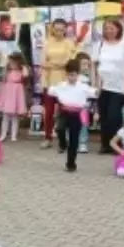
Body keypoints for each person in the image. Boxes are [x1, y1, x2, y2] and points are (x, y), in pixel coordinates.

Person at [48, 60, 97, 173]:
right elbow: (51, 91)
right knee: (59, 128)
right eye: (70, 75)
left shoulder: (83, 87)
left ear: (78, 75)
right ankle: (62, 143)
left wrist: (98, 89)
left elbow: (93, 92)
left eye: (74, 75)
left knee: (74, 141)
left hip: (76, 114)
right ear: (67, 74)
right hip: (64, 112)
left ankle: (71, 163)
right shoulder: (62, 85)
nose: (72, 77)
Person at [94, 19, 124, 155]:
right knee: (104, 117)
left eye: (112, 28)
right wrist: (96, 84)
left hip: (119, 87)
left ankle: (116, 143)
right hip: (104, 86)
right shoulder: (100, 44)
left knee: (114, 116)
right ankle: (105, 144)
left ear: (118, 29)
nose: (109, 31)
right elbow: (96, 65)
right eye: (106, 28)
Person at [41, 19, 78, 150]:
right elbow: (43, 62)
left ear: (65, 30)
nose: (59, 32)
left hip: (64, 80)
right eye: (56, 29)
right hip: (50, 80)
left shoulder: (69, 43)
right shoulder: (47, 43)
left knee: (65, 111)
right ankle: (47, 137)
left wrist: (60, 65)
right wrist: (54, 65)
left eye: (62, 29)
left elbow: (71, 60)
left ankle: (64, 138)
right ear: (52, 29)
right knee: (49, 112)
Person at [0, 52, 29, 142]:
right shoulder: (8, 70)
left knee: (15, 116)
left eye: (13, 62)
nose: (11, 64)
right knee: (5, 116)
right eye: (10, 61)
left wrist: (23, 67)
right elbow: (3, 79)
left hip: (16, 92)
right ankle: (3, 134)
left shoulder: (22, 69)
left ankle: (13, 135)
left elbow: (26, 75)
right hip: (8, 92)